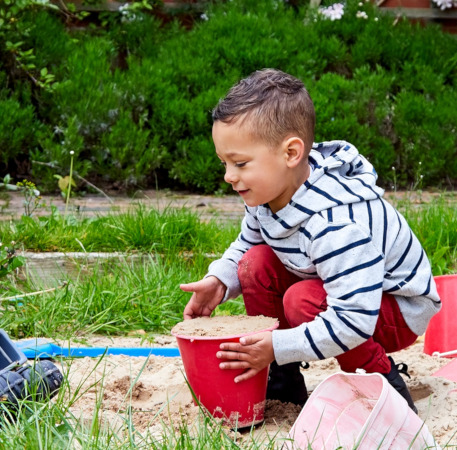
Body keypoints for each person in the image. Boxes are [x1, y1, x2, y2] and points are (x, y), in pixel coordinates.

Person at [179, 68, 440, 413]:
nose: (229, 176)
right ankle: (282, 380)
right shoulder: (267, 193)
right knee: (254, 265)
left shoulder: (335, 224)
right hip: (338, 286)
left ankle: (381, 383)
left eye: (240, 163)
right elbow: (247, 244)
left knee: (301, 300)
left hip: (393, 307)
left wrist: (279, 343)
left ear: (291, 154)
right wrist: (220, 281)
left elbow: (354, 319)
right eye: (224, 162)